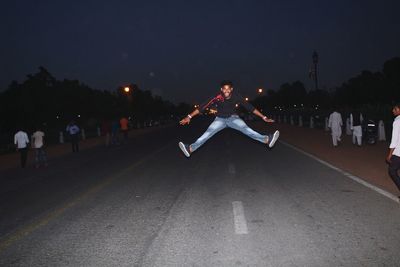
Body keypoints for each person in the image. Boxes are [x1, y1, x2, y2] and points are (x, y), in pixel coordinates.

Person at [178, 80, 279, 157]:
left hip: (233, 118)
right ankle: (190, 148)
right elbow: (202, 107)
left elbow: (250, 107)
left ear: (231, 89)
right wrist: (189, 116)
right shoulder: (217, 96)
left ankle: (267, 140)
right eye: (224, 88)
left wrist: (263, 117)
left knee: (247, 130)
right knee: (207, 134)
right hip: (219, 119)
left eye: (228, 88)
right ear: (221, 89)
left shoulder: (236, 96)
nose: (226, 90)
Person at [386, 103, 400, 193]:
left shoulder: (397, 121)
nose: (393, 111)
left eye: (395, 109)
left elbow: (394, 139)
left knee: (392, 171)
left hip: (398, 151)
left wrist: (390, 154)